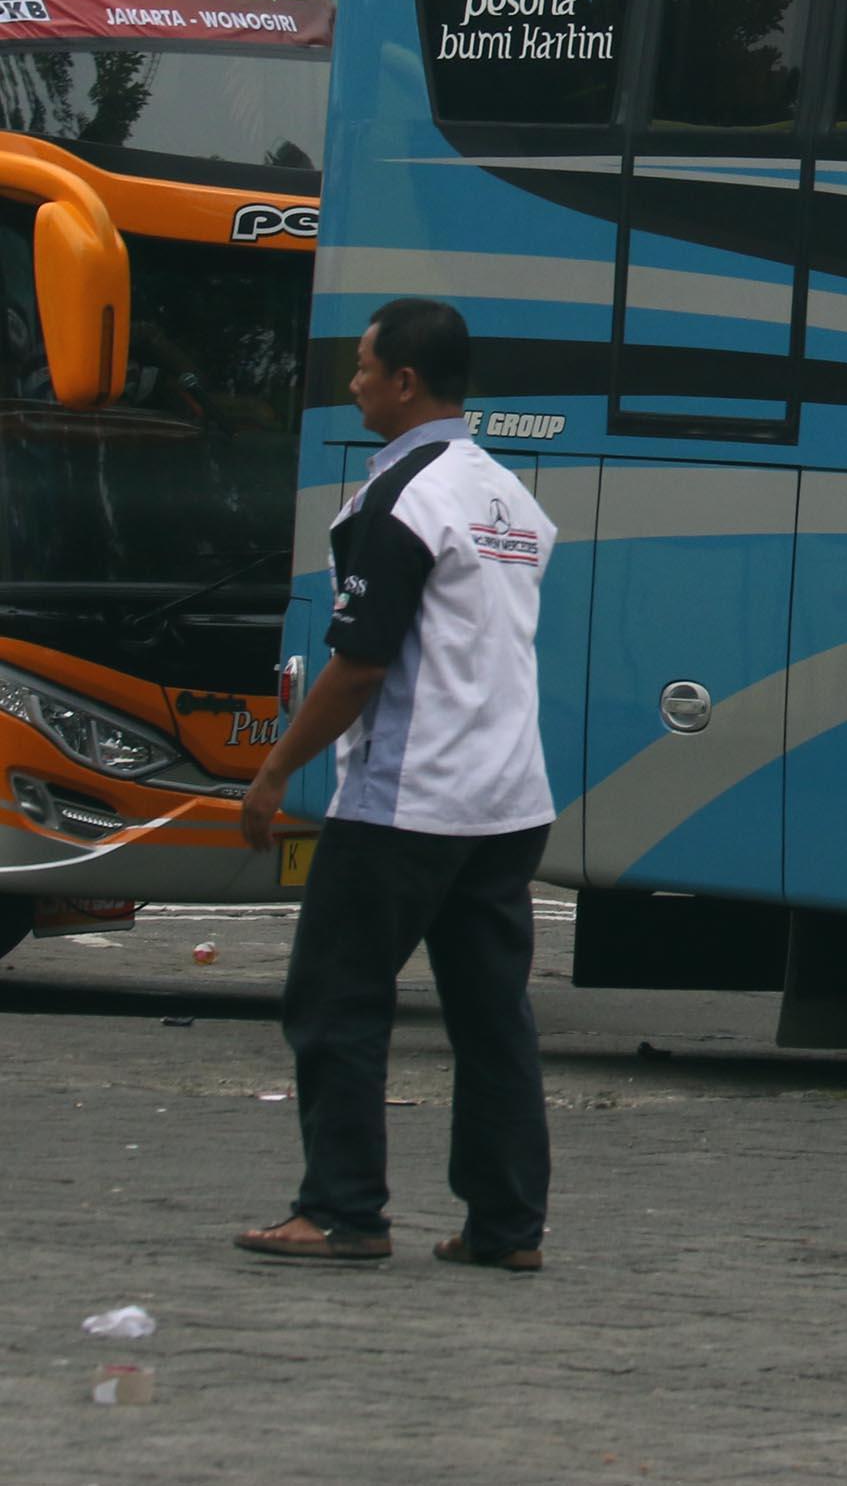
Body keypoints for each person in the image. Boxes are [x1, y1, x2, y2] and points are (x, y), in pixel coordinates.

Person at [233, 299, 559, 1270]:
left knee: (335, 997)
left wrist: (274, 768)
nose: (355, 384)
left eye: (366, 367)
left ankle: (342, 1210)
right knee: (492, 1016)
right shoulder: (508, 496)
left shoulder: (402, 499)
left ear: (406, 382)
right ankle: (507, 1225)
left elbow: (361, 664)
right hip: (508, 797)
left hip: (410, 798)